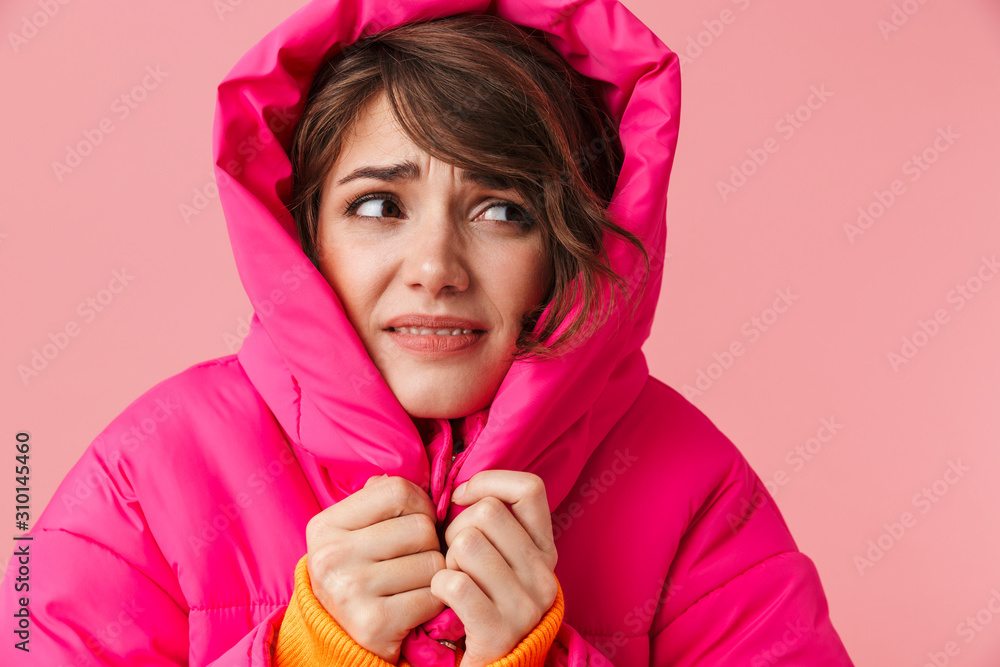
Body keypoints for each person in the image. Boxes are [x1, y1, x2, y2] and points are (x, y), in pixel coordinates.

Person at [1, 0, 856, 665]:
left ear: (567, 245)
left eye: (502, 209)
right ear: (304, 238)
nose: (436, 266)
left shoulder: (696, 489)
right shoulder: (144, 476)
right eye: (379, 205)